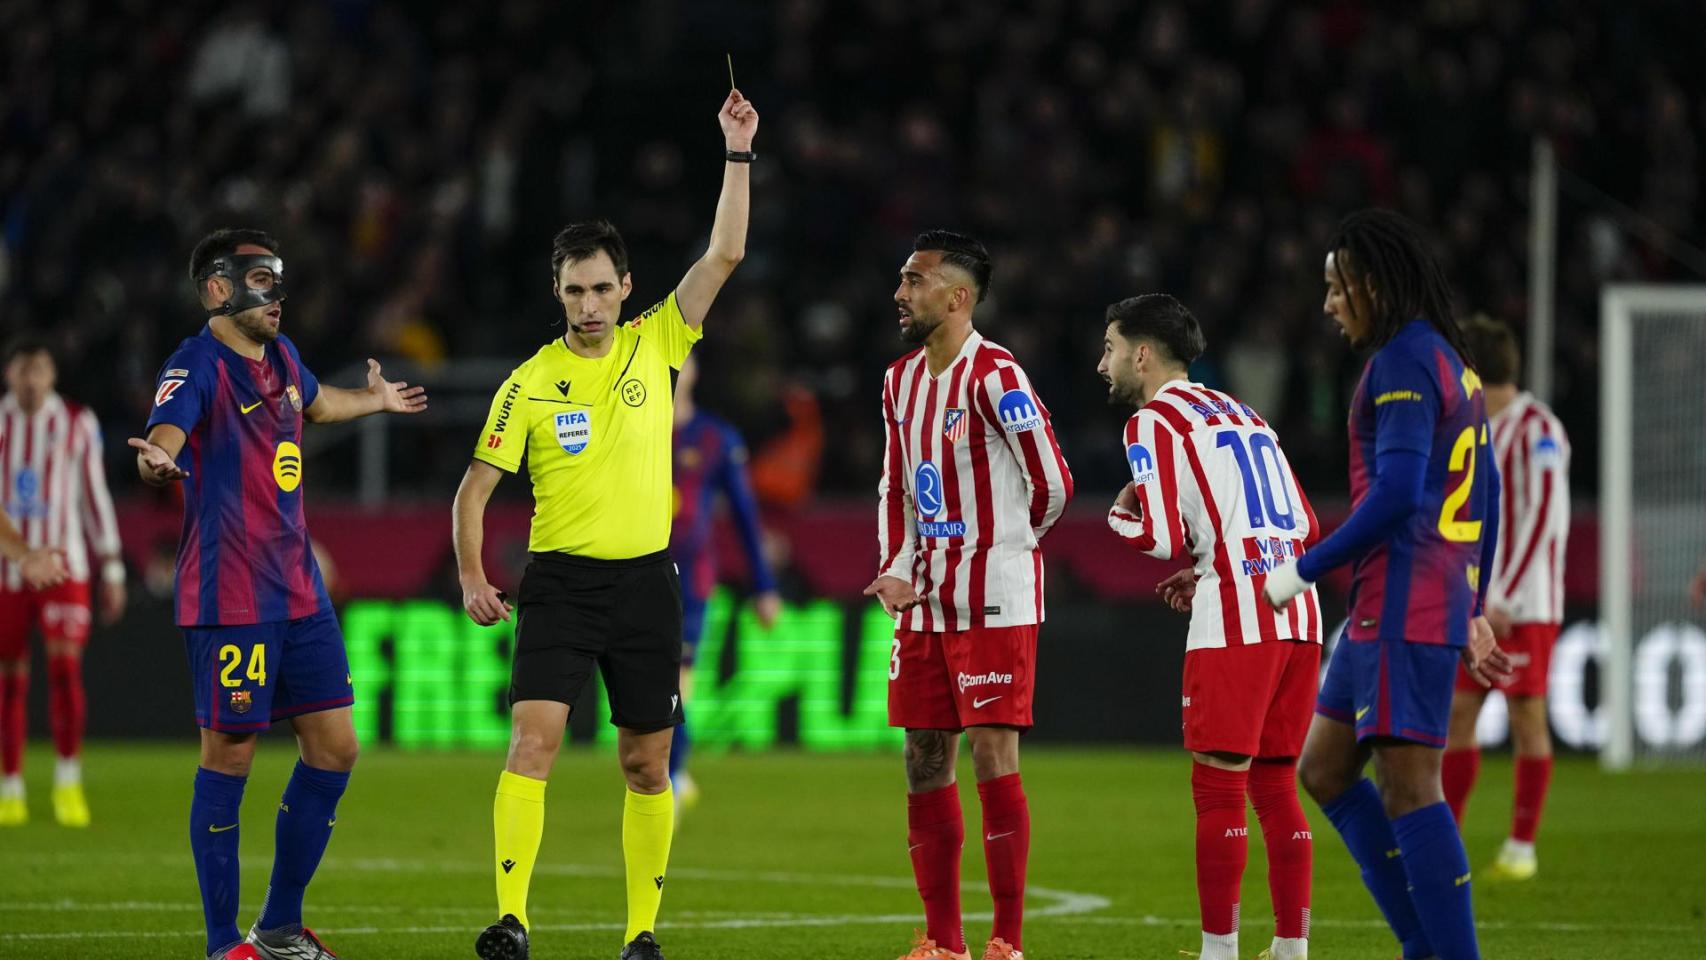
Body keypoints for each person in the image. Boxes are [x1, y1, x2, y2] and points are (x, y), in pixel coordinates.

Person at [453, 90, 758, 960]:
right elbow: (473, 491)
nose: (588, 305)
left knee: (645, 765)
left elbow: (727, 250)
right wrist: (475, 576)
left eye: (600, 288)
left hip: (644, 584)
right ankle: (511, 918)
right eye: (573, 290)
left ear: (625, 287)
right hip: (559, 584)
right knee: (533, 741)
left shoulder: (658, 342)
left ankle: (640, 935)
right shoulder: (529, 382)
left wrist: (737, 150)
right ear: (557, 291)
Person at [129, 228, 428, 960]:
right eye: (259, 279)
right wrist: (159, 463)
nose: (277, 295)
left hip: (299, 590)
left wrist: (376, 401)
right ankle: (223, 944)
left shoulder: (284, 358)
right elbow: (164, 435)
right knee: (229, 756)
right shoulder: (196, 363)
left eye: (279, 279)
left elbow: (321, 406)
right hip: (230, 593)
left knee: (336, 748)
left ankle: (281, 927)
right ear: (217, 289)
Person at [1263, 209, 1512, 960]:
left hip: (1403, 599)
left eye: (1338, 288)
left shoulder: (1403, 361)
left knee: (1411, 787)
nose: (1330, 304)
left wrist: (1302, 567)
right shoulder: (1449, 361)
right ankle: (1421, 943)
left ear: (1371, 285)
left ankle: (1446, 954)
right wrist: (1471, 603)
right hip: (1408, 600)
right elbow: (1489, 490)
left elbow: (1400, 492)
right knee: (1326, 767)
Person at [864, 230, 1073, 960]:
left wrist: (1002, 550)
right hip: (924, 598)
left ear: (957, 298)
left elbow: (1052, 483)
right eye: (901, 279)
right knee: (924, 756)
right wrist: (898, 564)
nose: (900, 294)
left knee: (991, 753)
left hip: (993, 599)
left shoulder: (998, 378)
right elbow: (894, 487)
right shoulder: (899, 382)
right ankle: (944, 943)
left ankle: (1007, 942)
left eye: (914, 281)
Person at [1098, 294, 1321, 960]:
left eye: (1110, 348)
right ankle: (1290, 948)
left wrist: (1118, 518)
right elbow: (1304, 524)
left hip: (1236, 621)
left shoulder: (1151, 424)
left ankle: (1218, 952)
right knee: (1277, 785)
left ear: (1142, 353)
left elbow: (1161, 534)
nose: (1102, 363)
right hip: (1299, 612)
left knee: (1220, 784)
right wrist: (1213, 560)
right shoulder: (1244, 413)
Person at [1440, 316, 1570, 881]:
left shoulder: (1537, 428)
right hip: (1480, 606)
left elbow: (1543, 515)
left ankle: (1521, 848)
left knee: (1527, 714)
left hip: (1524, 606)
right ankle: (1450, 841)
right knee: (1458, 715)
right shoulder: (1473, 424)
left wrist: (1508, 595)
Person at [0, 338, 124, 827]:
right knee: (9, 679)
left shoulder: (76, 421)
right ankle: (10, 787)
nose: (31, 380)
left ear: (51, 375)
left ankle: (68, 781)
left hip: (66, 565)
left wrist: (111, 565)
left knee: (64, 670)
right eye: (23, 370)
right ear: (10, 374)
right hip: (7, 569)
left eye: (40, 370)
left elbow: (94, 495)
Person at [669, 353, 780, 807]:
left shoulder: (715, 439)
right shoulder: (627, 430)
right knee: (646, 687)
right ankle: (668, 772)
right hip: (631, 575)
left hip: (690, 581)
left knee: (672, 683)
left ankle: (671, 775)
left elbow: (745, 517)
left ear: (695, 370)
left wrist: (764, 585)